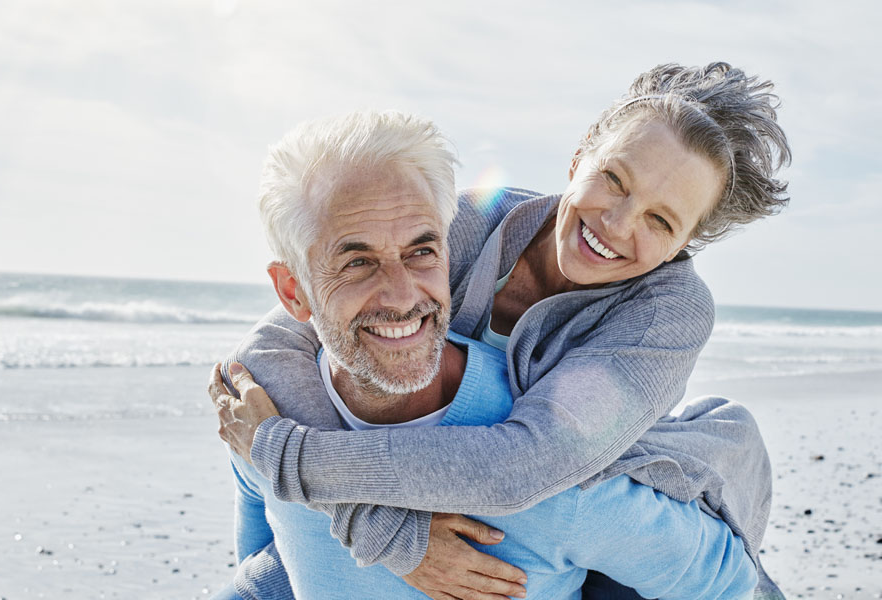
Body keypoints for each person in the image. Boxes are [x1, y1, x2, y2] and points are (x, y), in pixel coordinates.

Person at [212, 62, 789, 599]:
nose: (616, 224)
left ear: (681, 244)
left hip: (606, 515)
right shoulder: (469, 221)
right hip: (453, 487)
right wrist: (347, 510)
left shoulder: (668, 312)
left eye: (660, 221)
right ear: (578, 158)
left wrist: (293, 463)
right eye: (614, 179)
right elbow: (275, 343)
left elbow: (523, 467)